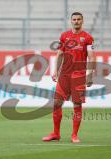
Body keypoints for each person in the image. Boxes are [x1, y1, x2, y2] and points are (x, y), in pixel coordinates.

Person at [42, 12, 95, 143]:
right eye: (74, 19)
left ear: (82, 21)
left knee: (77, 105)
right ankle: (55, 133)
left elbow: (92, 56)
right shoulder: (64, 36)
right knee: (56, 104)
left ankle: (74, 135)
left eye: (78, 19)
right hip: (64, 75)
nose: (76, 21)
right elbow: (60, 54)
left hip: (79, 76)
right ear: (71, 21)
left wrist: (90, 74)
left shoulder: (87, 38)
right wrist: (55, 71)